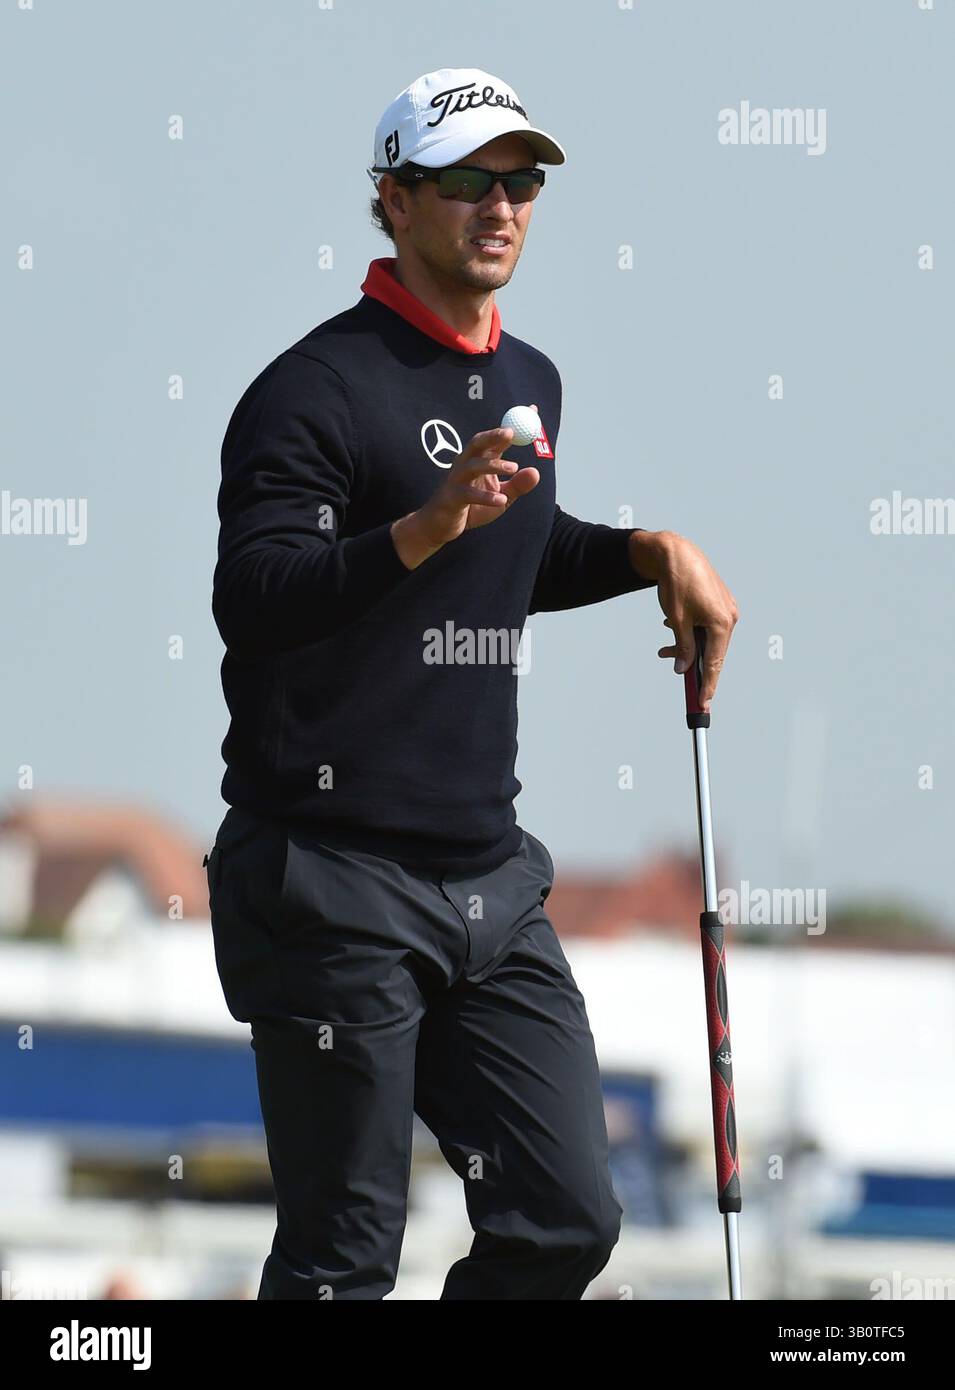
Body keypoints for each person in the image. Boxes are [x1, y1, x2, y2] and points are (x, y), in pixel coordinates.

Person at [206, 66, 738, 1301]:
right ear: (393, 201)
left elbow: (517, 555)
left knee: (565, 1220)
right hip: (329, 882)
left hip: (488, 883)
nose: (499, 208)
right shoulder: (312, 388)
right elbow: (256, 593)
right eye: (464, 183)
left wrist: (645, 550)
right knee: (342, 1261)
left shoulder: (530, 380)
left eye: (521, 182)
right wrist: (420, 529)